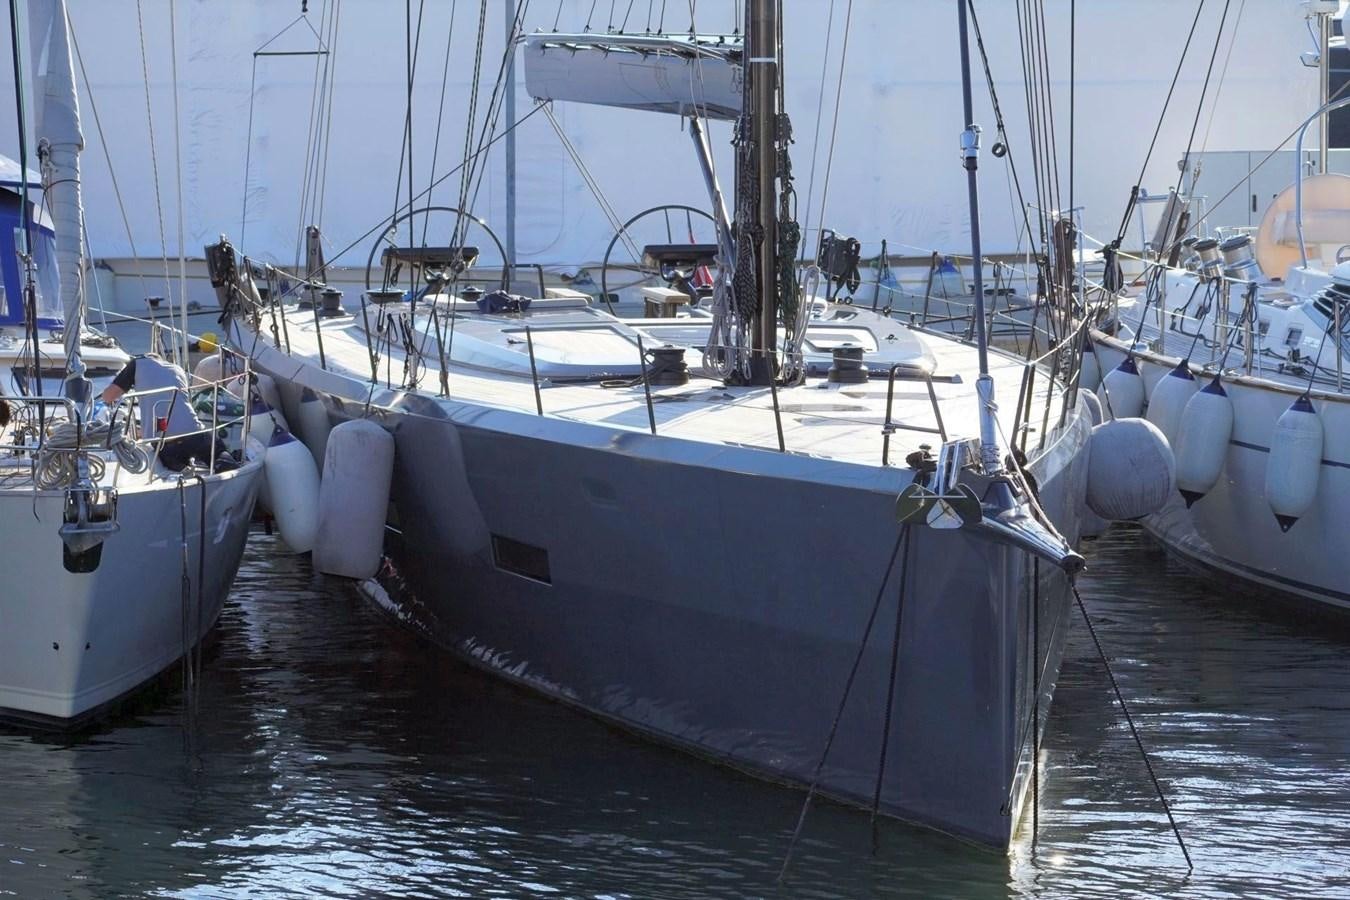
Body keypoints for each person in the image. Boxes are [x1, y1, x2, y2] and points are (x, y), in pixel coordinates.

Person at [101, 354, 213, 471]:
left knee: (179, 472)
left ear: (144, 357)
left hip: (166, 444)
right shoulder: (177, 369)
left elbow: (108, 396)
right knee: (223, 461)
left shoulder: (138, 364)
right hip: (196, 433)